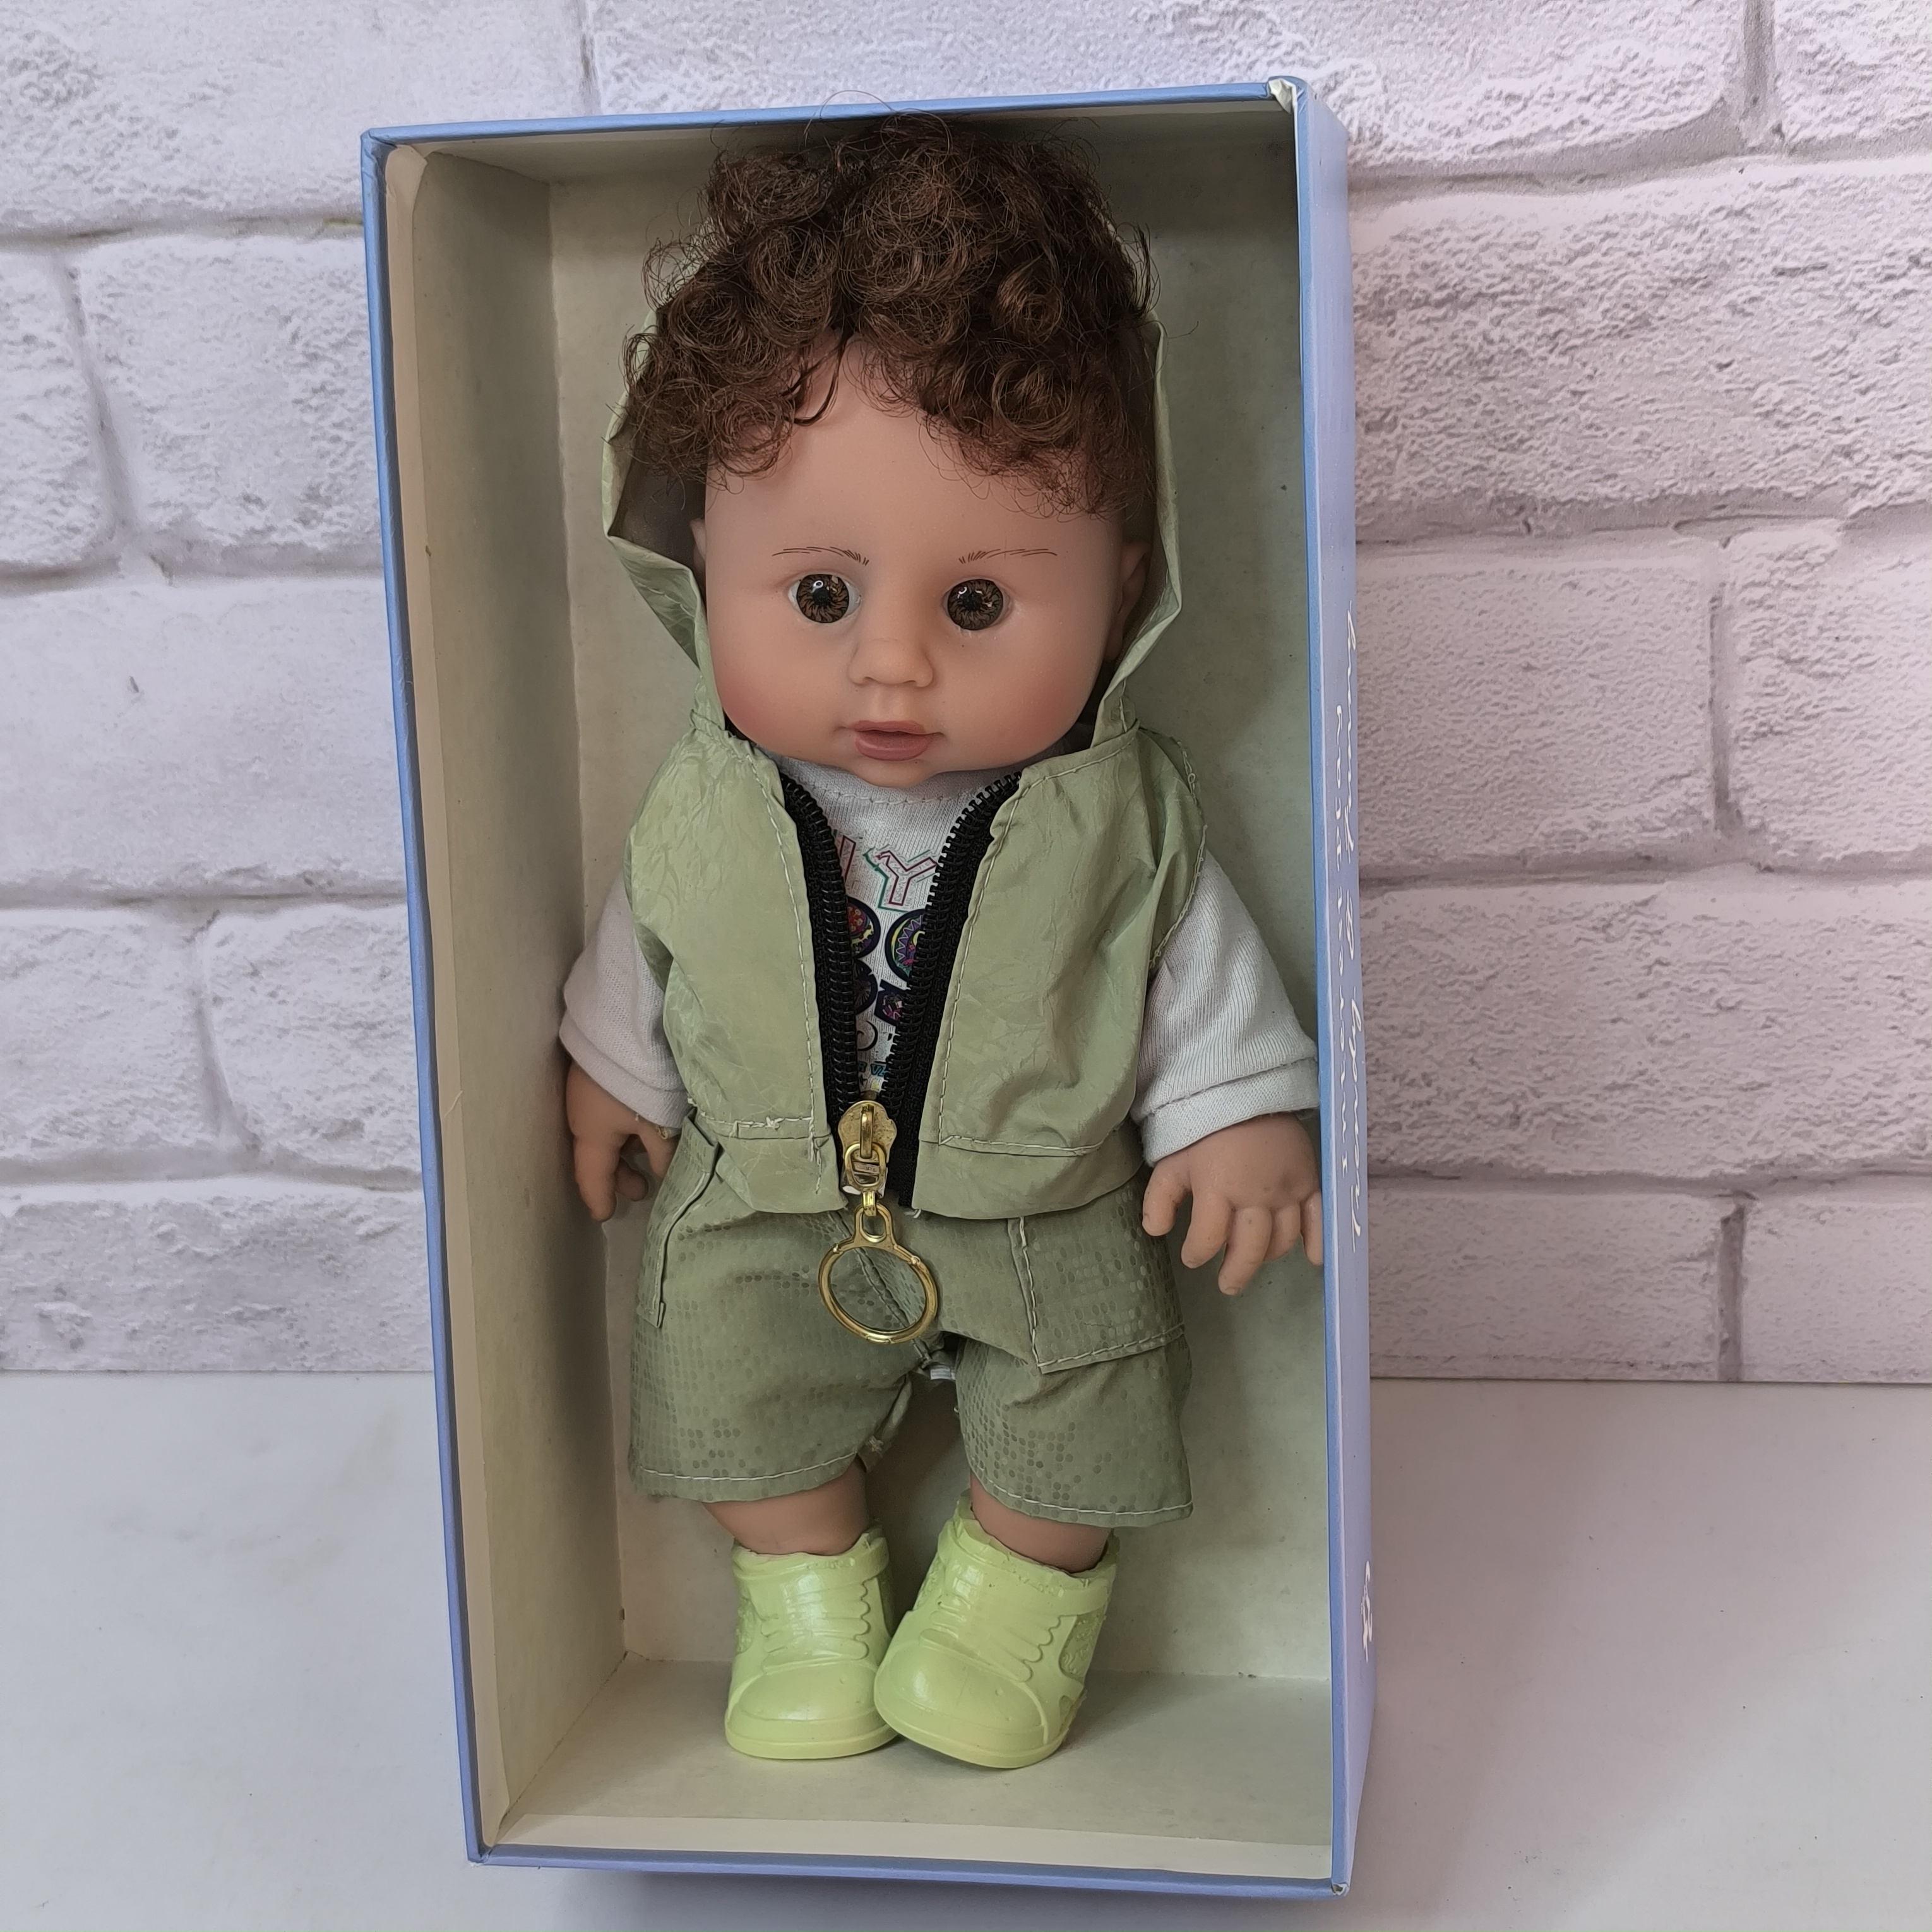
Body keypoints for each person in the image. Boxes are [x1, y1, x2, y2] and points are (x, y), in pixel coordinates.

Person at [559, 118, 1323, 1771]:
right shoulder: (708, 793)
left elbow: (1185, 962)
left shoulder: (1120, 810)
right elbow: (657, 937)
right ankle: (804, 1592)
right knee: (727, 1377)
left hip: (1047, 1201)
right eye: (819, 596)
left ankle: (1010, 1596)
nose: (891, 668)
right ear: (702, 559)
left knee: (1086, 1395)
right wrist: (612, 1068)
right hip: (765, 1199)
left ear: (1122, 588)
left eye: (977, 603)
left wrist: (1238, 1108)